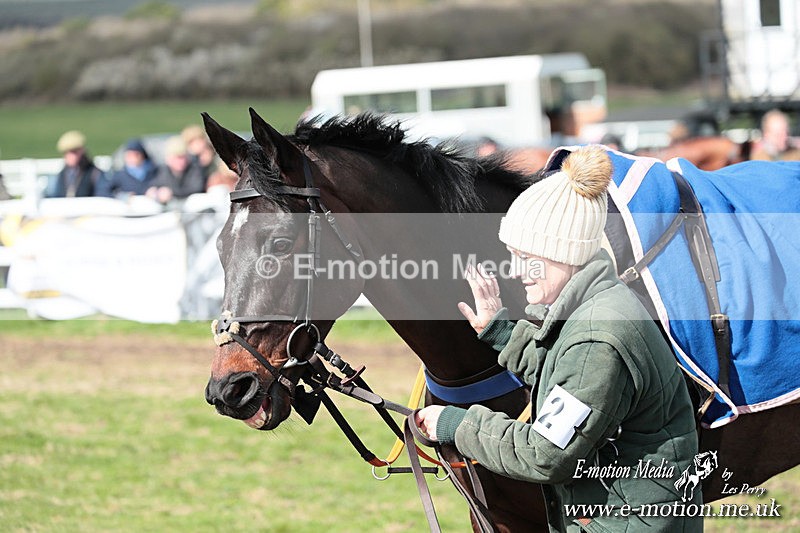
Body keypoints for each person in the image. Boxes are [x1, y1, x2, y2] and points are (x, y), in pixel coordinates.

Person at [415, 146, 701, 532]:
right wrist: (499, 331)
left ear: (563, 253)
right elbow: (567, 373)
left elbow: (545, 454)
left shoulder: (597, 337)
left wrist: (454, 424)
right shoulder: (594, 305)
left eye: (526, 256)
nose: (516, 271)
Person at [149, 136, 207, 203]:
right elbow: (153, 185)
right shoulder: (162, 171)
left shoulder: (195, 169)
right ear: (168, 159)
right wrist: (155, 192)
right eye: (177, 158)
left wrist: (170, 192)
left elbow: (196, 189)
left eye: (183, 157)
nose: (181, 161)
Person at [48, 130, 103, 198]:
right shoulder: (62, 174)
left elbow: (102, 197)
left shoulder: (94, 173)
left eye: (73, 152)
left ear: (82, 151)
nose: (69, 156)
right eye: (66, 153)